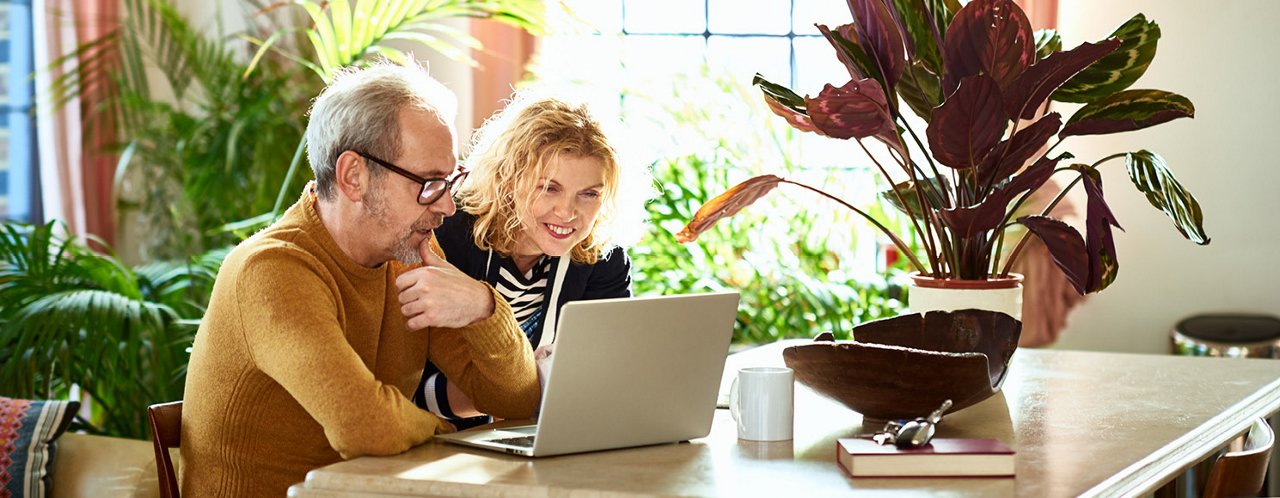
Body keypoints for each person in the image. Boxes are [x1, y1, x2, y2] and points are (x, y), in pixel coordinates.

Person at [180, 61, 540, 496]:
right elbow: (364, 427)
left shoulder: (409, 257)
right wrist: (445, 430)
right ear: (353, 175)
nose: (447, 207)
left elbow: (518, 402)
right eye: (429, 182)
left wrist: (483, 307)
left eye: (450, 180)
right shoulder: (272, 269)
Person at [414, 95, 648, 426]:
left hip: (540, 438)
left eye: (589, 194)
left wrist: (526, 389)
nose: (567, 213)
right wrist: (528, 389)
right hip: (442, 444)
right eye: (549, 188)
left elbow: (602, 381)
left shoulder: (602, 259)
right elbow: (412, 389)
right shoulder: (447, 237)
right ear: (508, 179)